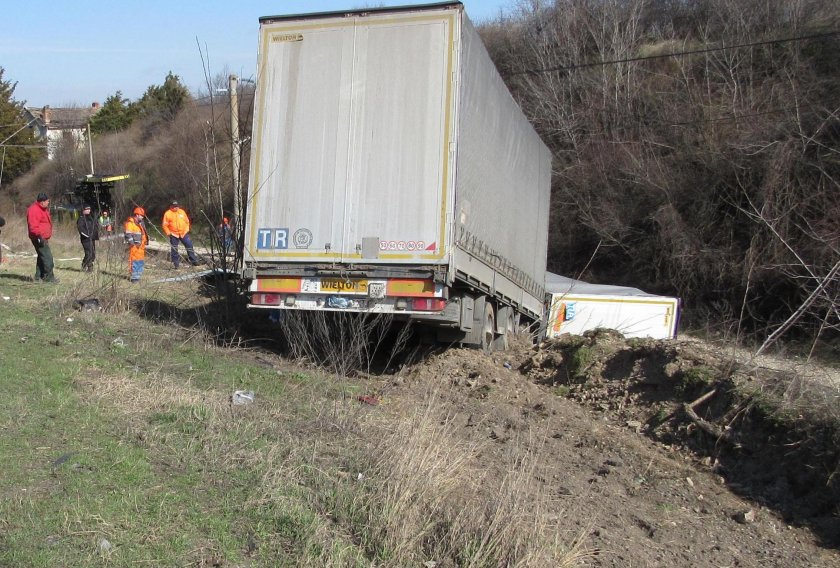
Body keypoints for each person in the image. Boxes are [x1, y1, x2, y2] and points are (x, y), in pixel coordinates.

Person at [26, 192, 58, 283]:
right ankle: (48, 278)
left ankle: (38, 277)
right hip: (38, 237)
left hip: (43, 237)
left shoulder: (43, 209)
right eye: (47, 201)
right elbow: (33, 226)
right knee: (48, 258)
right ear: (42, 201)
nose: (48, 203)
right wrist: (39, 236)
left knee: (41, 257)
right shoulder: (34, 210)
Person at [162, 200, 200, 268]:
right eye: (174, 206)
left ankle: (194, 261)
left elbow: (187, 221)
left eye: (176, 206)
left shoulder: (182, 211)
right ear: (171, 206)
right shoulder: (167, 213)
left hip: (183, 233)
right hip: (173, 234)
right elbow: (164, 225)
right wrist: (169, 233)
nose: (175, 208)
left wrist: (187, 229)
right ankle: (176, 264)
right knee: (174, 249)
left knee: (189, 245)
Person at [124, 207, 148, 283]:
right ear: (137, 215)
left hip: (141, 246)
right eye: (141, 215)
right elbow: (128, 234)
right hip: (135, 246)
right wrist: (132, 244)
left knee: (140, 261)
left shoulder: (140, 223)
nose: (142, 217)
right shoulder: (130, 223)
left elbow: (143, 234)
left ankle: (138, 276)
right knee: (134, 261)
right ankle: (134, 278)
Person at [76, 204, 100, 272]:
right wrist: (87, 236)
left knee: (93, 255)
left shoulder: (91, 218)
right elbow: (81, 229)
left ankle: (87, 265)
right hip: (85, 239)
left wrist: (95, 235)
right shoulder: (81, 218)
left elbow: (95, 227)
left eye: (89, 209)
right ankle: (88, 268)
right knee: (89, 253)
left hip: (92, 238)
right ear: (83, 210)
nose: (88, 210)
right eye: (87, 209)